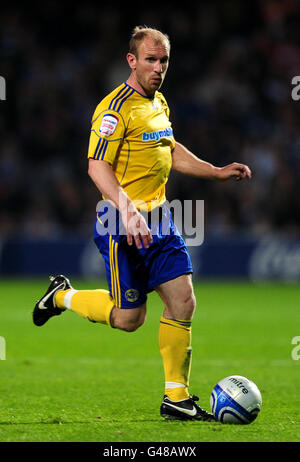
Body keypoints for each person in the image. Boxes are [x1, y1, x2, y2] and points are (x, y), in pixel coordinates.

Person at [33, 26, 251, 421]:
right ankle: (62, 296)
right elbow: (96, 167)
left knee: (183, 300)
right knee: (128, 319)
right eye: (150, 60)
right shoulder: (114, 108)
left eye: (163, 60)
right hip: (118, 223)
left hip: (161, 220)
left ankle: (177, 398)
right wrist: (128, 209)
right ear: (131, 61)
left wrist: (215, 171)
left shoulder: (159, 103)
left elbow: (169, 147)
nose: (158, 68)